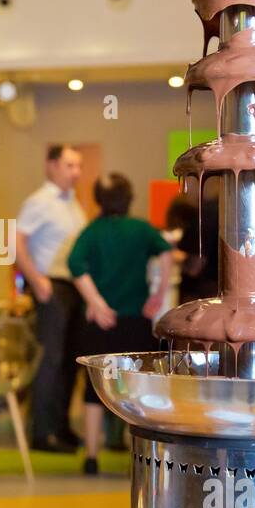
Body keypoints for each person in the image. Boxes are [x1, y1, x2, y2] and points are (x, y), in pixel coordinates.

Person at [68, 174, 173, 475]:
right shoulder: (141, 229)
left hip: (100, 323)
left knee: (92, 389)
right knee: (136, 389)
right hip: (136, 321)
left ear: (98, 199)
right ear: (130, 197)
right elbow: (165, 250)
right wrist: (159, 292)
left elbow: (76, 266)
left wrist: (96, 303)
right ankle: (135, 456)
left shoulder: (92, 231)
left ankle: (91, 456)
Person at [15, 145, 86, 453]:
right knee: (50, 361)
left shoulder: (72, 203)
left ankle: (61, 426)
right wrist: (36, 280)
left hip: (72, 288)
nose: (76, 172)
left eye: (78, 166)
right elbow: (16, 241)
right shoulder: (38, 201)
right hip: (51, 287)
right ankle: (42, 433)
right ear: (52, 166)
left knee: (69, 362)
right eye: (70, 165)